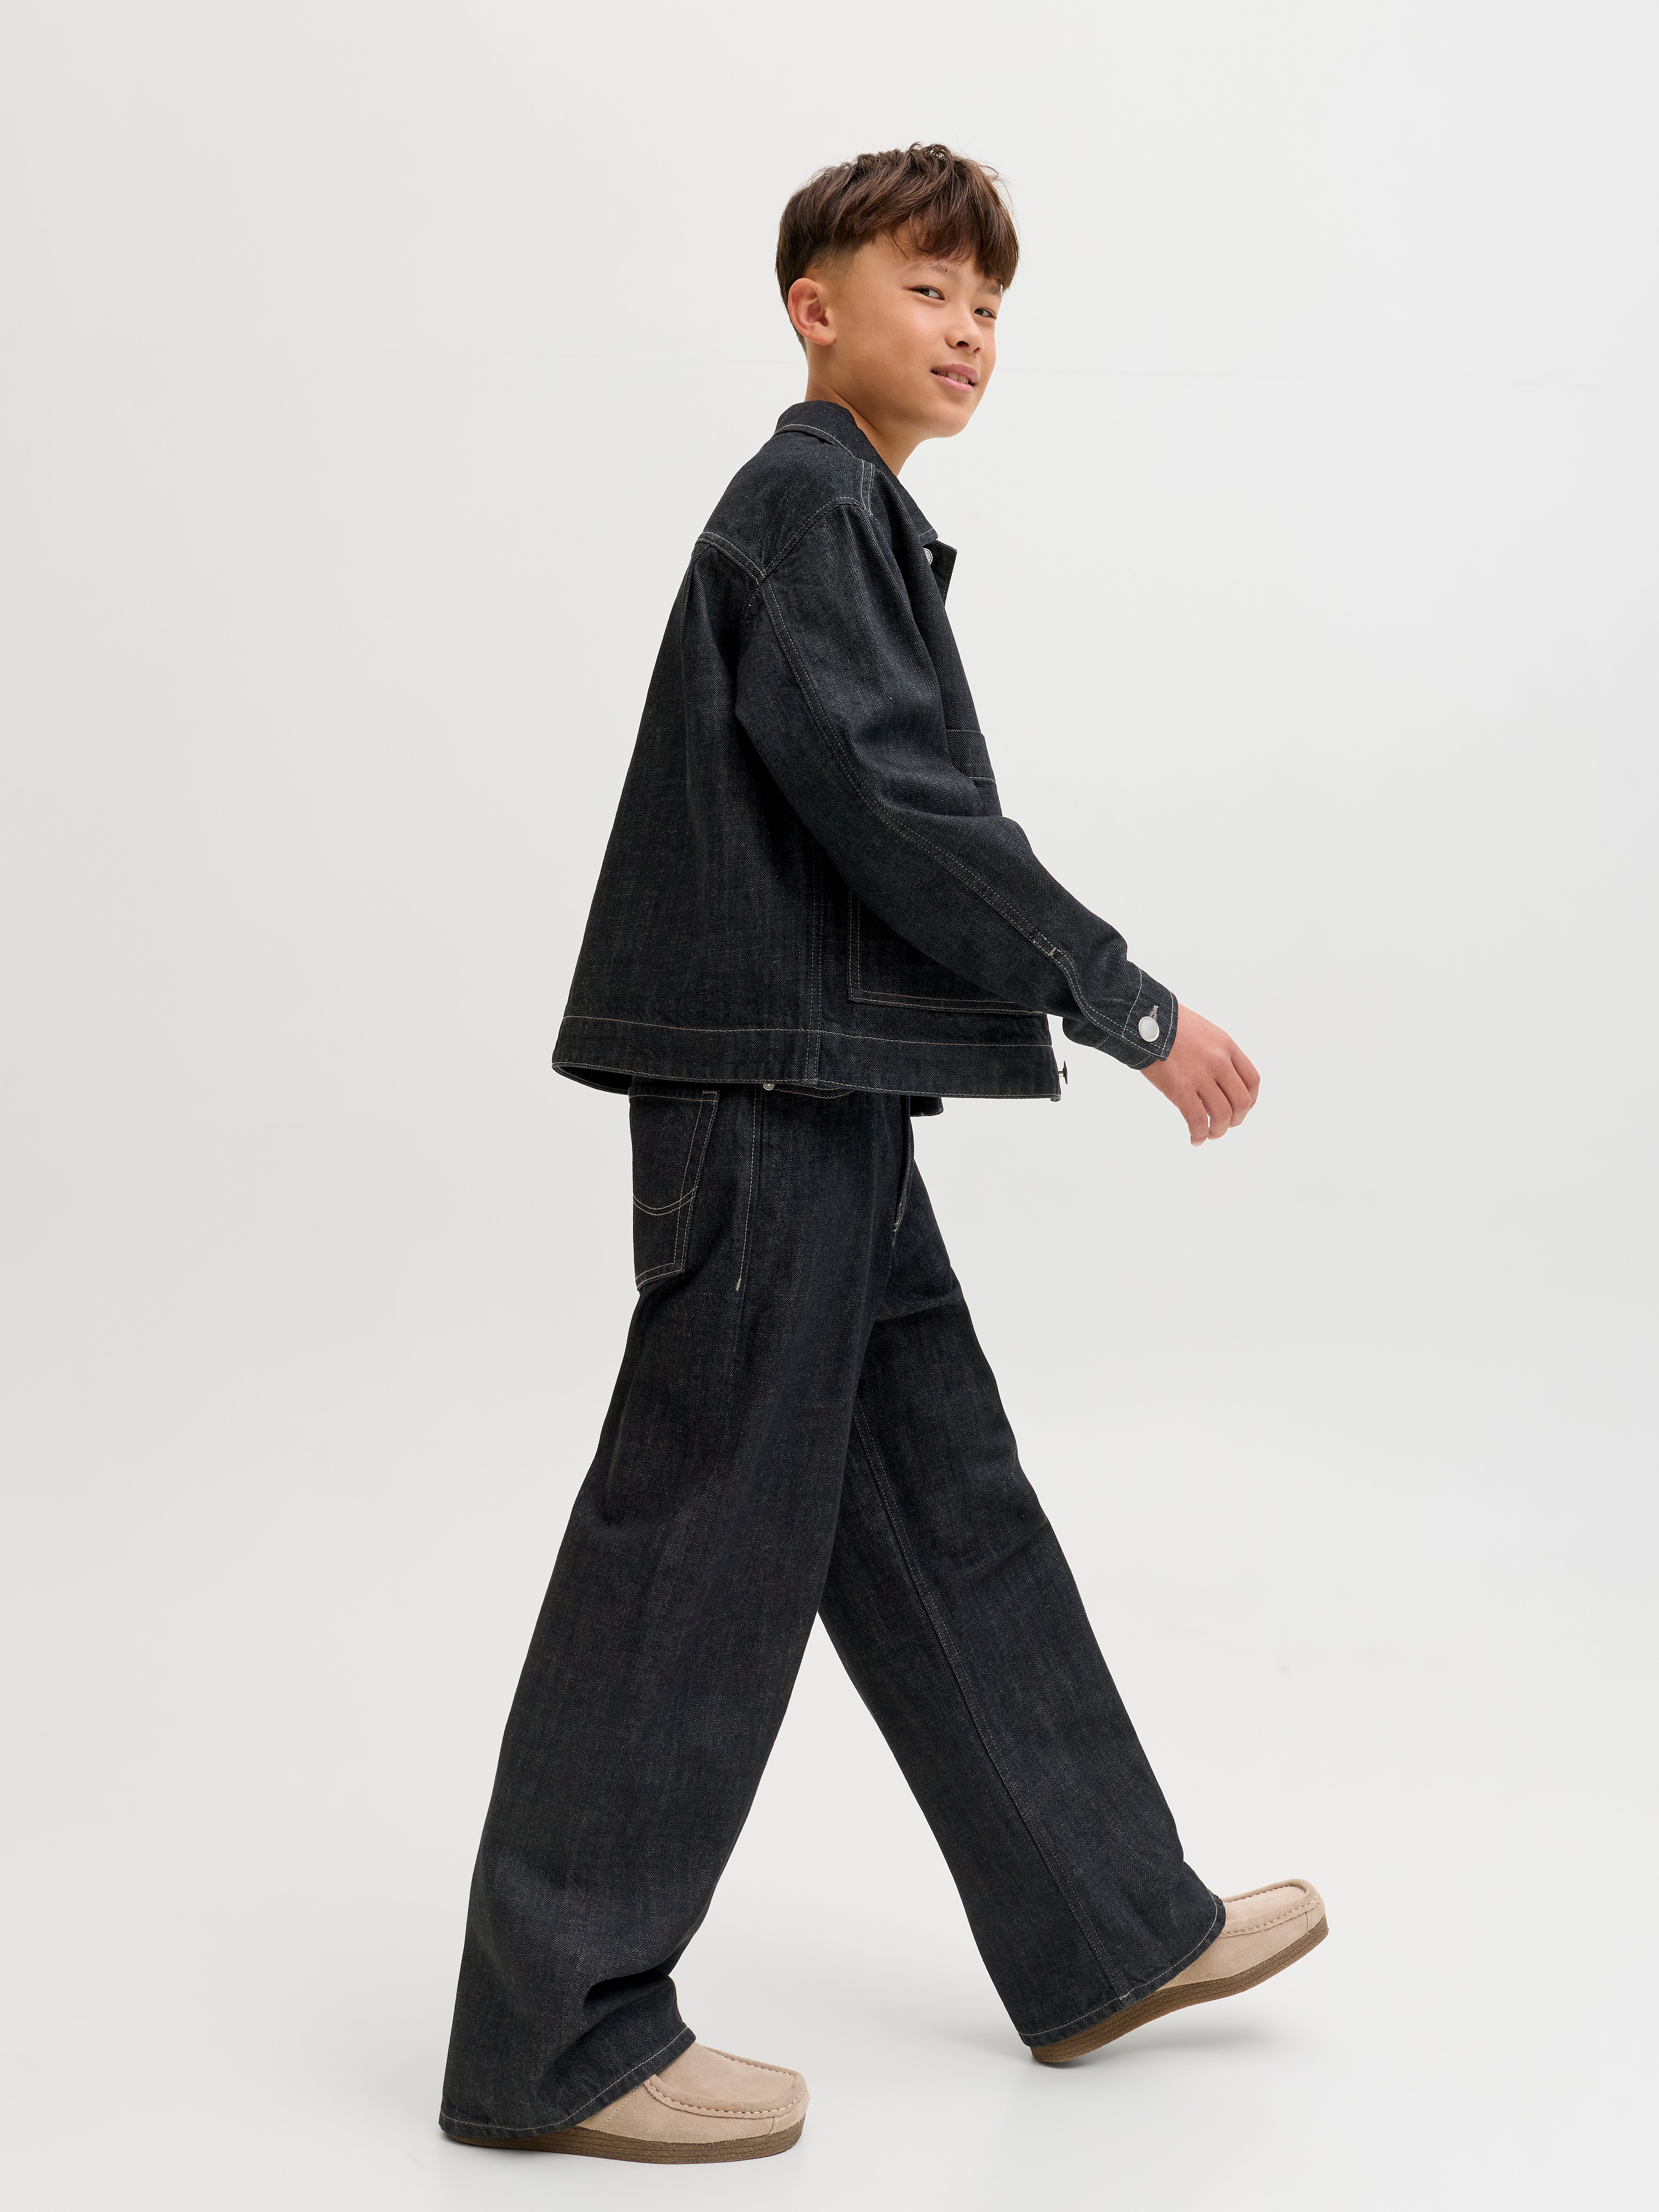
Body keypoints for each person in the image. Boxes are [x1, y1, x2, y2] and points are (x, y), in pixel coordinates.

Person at [438, 142, 1325, 2167]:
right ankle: (557, 2035)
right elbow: (897, 805)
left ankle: (1105, 1927)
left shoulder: (851, 514)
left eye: (991, 303)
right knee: (697, 1542)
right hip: (767, 1094)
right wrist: (1126, 1005)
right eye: (928, 289)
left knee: (940, 1500)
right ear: (813, 309)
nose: (969, 330)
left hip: (818, 1086)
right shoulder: (810, 505)